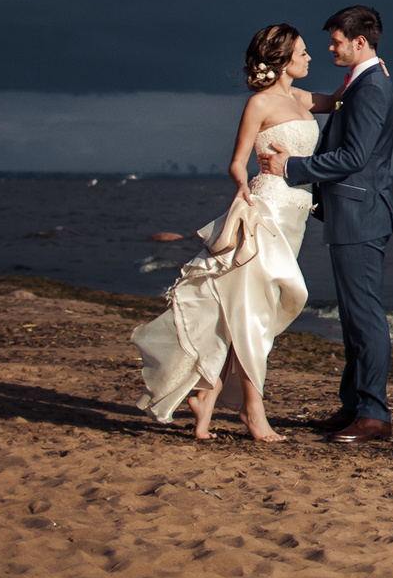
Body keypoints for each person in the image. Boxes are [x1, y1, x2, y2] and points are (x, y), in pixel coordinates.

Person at [131, 22, 328, 441]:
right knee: (252, 313)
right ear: (283, 58)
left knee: (253, 312)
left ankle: (208, 391)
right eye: (304, 52)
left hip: (297, 216)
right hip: (266, 212)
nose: (311, 57)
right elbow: (237, 161)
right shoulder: (260, 104)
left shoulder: (303, 98)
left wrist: (371, 68)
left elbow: (347, 100)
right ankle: (252, 412)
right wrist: (242, 187)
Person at [259, 3, 393, 443]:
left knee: (365, 317)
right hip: (351, 213)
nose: (330, 47)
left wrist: (291, 167)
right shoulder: (361, 84)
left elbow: (355, 158)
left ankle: (374, 413)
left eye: (336, 41)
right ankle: (354, 405)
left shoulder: (373, 87)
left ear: (360, 42)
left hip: (361, 215)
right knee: (353, 318)